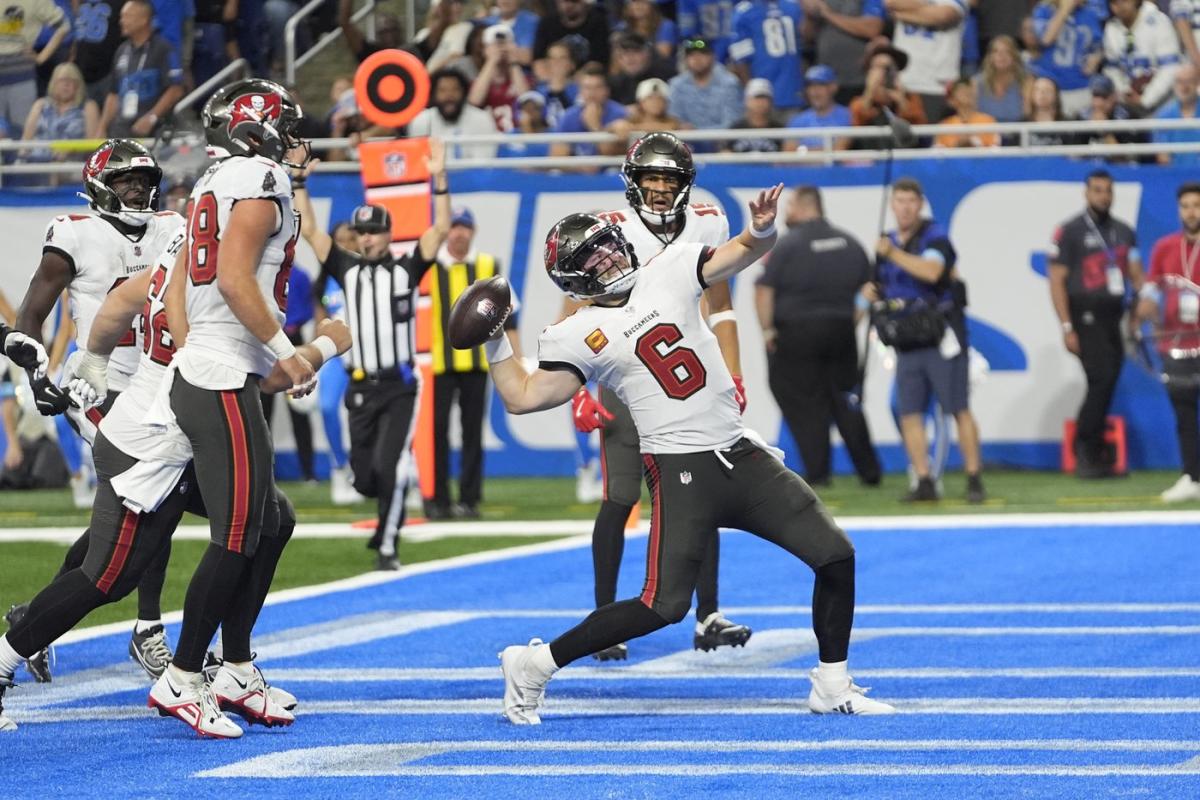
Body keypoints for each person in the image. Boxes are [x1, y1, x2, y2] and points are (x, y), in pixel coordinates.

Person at [489, 184, 896, 723]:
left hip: (740, 455)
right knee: (664, 606)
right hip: (681, 469)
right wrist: (495, 341)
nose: (610, 257)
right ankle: (535, 664)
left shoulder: (670, 265)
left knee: (836, 555)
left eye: (609, 245)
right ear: (574, 276)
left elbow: (745, 250)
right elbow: (522, 397)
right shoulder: (576, 332)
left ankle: (832, 684)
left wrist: (764, 225)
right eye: (593, 257)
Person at [2, 233, 353, 737]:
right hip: (151, 444)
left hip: (182, 439)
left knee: (270, 520)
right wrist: (326, 344)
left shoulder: (188, 249)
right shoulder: (233, 275)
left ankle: (233, 669)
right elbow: (254, 377)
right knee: (107, 577)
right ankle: (6, 658)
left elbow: (124, 298)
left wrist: (96, 359)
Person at [141, 78, 315, 737]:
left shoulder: (219, 179)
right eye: (288, 129)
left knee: (272, 521)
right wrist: (288, 350)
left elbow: (196, 282)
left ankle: (237, 667)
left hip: (219, 366)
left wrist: (262, 356)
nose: (298, 145)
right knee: (241, 528)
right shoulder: (260, 177)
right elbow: (237, 279)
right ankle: (184, 676)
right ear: (260, 130)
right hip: (217, 375)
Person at [572, 132, 751, 660]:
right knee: (620, 497)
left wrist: (734, 375)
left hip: (687, 380)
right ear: (633, 183)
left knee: (704, 496)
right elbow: (576, 304)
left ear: (683, 185)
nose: (657, 189)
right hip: (626, 376)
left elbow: (722, 304)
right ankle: (605, 619)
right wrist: (579, 386)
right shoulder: (612, 230)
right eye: (649, 178)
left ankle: (708, 614)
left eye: (667, 179)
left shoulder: (708, 221)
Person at [11, 139, 183, 682]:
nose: (139, 188)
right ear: (100, 183)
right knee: (151, 494)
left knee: (133, 513)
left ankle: (33, 622)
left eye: (144, 178)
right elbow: (30, 316)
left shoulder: (172, 227)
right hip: (99, 386)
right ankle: (148, 629)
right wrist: (36, 373)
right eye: (127, 179)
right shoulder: (74, 232)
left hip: (161, 384)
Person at [294, 142, 452, 570]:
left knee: (389, 465)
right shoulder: (347, 270)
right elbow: (310, 231)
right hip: (360, 384)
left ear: (388, 233)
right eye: (363, 232)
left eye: (375, 231)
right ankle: (382, 524)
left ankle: (388, 543)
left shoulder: (407, 268)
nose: (368, 238)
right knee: (363, 476)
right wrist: (300, 181)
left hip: (400, 384)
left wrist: (439, 181)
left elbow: (439, 231)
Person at [756, 185, 881, 487]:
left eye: (790, 205)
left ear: (802, 206)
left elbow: (763, 290)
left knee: (805, 404)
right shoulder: (850, 243)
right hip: (841, 332)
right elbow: (869, 290)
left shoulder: (786, 246)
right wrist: (850, 321)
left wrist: (767, 330)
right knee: (847, 401)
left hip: (796, 334)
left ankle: (819, 473)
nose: (787, 211)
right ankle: (870, 472)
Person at [871, 177, 985, 503]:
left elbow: (932, 272)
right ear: (892, 205)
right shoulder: (886, 243)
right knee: (909, 412)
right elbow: (880, 286)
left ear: (920, 204)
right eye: (899, 201)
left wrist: (891, 253)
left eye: (911, 201)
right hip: (906, 338)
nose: (905, 207)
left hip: (940, 335)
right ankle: (923, 480)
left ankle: (974, 477)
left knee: (957, 407)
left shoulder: (934, 237)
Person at [1048, 169, 1144, 478]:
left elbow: (1135, 273)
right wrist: (1066, 326)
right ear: (1086, 193)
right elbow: (1057, 281)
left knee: (1107, 380)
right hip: (1084, 314)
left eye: (1107, 190)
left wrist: (1139, 309)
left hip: (1114, 314)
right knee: (1101, 378)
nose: (1103, 196)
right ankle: (1086, 449)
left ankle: (1097, 452)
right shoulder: (1069, 231)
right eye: (1098, 190)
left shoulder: (1124, 231)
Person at [426, 206, 520, 520]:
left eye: (464, 226)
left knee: (471, 435)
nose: (458, 232)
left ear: (473, 231)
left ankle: (469, 499)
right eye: (454, 226)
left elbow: (510, 314)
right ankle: (437, 498)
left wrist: (516, 359)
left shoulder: (487, 266)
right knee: (435, 434)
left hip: (477, 364)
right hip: (437, 365)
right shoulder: (428, 266)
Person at [1138, 183, 1200, 502]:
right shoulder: (1164, 247)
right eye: (1185, 206)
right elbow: (1151, 288)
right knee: (1184, 414)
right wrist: (1145, 307)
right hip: (1174, 345)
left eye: (1196, 205)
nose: (1191, 212)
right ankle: (1192, 477)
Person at [97, 0, 183, 139]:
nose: (121, 21)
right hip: (121, 131)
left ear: (144, 20)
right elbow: (113, 94)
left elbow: (175, 90)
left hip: (153, 132)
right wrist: (101, 128)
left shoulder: (164, 49)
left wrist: (152, 117)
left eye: (127, 16)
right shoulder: (121, 51)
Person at [889, 0, 967, 122]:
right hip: (903, 81)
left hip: (937, 86)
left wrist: (903, 14)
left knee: (934, 138)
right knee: (902, 138)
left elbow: (943, 16)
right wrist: (930, 9)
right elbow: (891, 3)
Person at [0, 0, 69, 137]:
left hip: (21, 76)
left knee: (24, 132)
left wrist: (41, 57)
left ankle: (21, 159)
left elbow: (64, 26)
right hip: (18, 76)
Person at [1027, 0, 1106, 119]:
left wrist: (1096, 58)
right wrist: (1065, 9)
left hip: (1082, 87)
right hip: (1052, 90)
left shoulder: (1090, 14)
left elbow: (1098, 46)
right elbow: (1046, 38)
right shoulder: (1044, 10)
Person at [799, 0, 885, 105]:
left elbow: (872, 29)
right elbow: (808, 37)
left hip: (858, 78)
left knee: (858, 118)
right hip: (825, 79)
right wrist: (810, 17)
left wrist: (827, 14)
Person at [1102, 0, 1181, 113]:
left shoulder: (1158, 21)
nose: (1120, 6)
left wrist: (1145, 99)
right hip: (1129, 106)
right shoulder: (1111, 28)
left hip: (1164, 106)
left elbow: (1171, 68)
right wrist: (1125, 93)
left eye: (1124, 1)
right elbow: (1112, 70)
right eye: (1114, 2)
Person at [730, 0, 807, 112]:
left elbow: (807, 41)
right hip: (762, 93)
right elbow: (740, 61)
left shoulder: (794, 6)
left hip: (793, 88)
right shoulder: (744, 11)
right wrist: (752, 93)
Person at [409, 68, 499, 160]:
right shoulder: (421, 121)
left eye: (455, 89)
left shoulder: (482, 119)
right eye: (442, 90)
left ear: (464, 93)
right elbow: (419, 161)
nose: (449, 95)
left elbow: (485, 161)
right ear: (434, 95)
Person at [849, 37, 927, 143]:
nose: (883, 73)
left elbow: (921, 132)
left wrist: (901, 101)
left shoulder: (911, 98)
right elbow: (857, 127)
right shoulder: (859, 102)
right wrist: (870, 93)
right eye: (877, 67)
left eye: (888, 68)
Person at [19, 62, 100, 164]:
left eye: (71, 81)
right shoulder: (40, 105)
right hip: (37, 161)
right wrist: (21, 159)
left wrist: (72, 148)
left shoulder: (88, 107)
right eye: (62, 80)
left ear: (78, 85)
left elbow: (92, 144)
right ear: (54, 83)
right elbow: (26, 139)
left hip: (71, 164)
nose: (66, 85)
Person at [548, 64, 628, 159]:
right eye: (587, 87)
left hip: (611, 172)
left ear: (607, 90)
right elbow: (556, 156)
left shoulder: (620, 113)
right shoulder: (569, 116)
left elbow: (611, 153)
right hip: (577, 172)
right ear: (580, 91)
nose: (592, 93)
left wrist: (594, 126)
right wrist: (581, 167)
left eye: (597, 87)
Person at [666, 37, 743, 134]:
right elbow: (675, 120)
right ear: (685, 59)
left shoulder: (729, 83)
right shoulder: (677, 84)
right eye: (692, 55)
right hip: (687, 143)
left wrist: (697, 132)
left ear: (713, 56)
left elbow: (732, 123)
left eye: (702, 54)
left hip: (722, 142)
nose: (697, 59)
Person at [468, 24, 530, 132]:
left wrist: (513, 62)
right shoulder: (479, 81)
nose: (501, 48)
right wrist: (491, 60)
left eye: (506, 43)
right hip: (490, 139)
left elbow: (526, 101)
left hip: (519, 138)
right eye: (496, 45)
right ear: (485, 49)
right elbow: (474, 102)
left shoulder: (524, 77)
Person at [532, 0, 611, 80]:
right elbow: (539, 61)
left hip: (586, 81)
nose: (569, 6)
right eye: (564, 1)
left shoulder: (597, 22)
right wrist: (553, 82)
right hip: (552, 79)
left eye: (574, 1)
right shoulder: (547, 22)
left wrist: (571, 82)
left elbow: (597, 63)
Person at [785, 64, 852, 152]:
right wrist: (826, 151)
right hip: (802, 166)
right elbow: (789, 154)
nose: (814, 92)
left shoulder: (847, 115)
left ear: (833, 87)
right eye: (810, 86)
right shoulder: (797, 120)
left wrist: (802, 152)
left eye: (820, 85)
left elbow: (839, 149)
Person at [722, 78, 789, 153]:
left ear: (771, 101)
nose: (760, 103)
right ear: (746, 100)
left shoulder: (779, 129)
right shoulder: (736, 128)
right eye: (756, 98)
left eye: (764, 98)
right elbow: (725, 153)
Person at [974, 34, 1030, 123]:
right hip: (986, 134)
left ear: (1014, 56)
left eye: (1007, 52)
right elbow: (973, 117)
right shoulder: (976, 83)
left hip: (1016, 133)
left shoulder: (1025, 82)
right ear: (990, 57)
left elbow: (1028, 117)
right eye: (996, 51)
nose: (1001, 55)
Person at [1153, 63, 1200, 165]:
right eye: (1180, 81)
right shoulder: (1164, 115)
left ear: (1197, 83)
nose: (1184, 86)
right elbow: (1163, 158)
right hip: (1175, 176)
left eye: (1189, 81)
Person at [933, 78, 1000, 148]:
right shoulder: (945, 126)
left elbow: (996, 151)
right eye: (962, 90)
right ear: (951, 100)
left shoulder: (988, 121)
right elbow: (938, 154)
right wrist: (957, 146)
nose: (968, 92)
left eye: (970, 89)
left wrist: (975, 143)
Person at [1026, 75, 1073, 146]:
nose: (1042, 93)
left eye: (1048, 90)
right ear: (1031, 94)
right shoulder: (1022, 123)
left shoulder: (1068, 125)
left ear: (1056, 95)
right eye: (1037, 89)